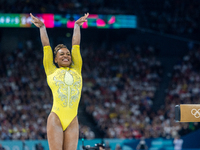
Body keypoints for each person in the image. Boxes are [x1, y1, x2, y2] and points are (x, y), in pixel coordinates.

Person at [30, 12, 89, 150]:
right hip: (56, 118)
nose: (66, 56)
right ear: (55, 59)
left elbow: (76, 45)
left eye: (68, 54)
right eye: (61, 54)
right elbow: (46, 46)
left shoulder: (77, 69)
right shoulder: (51, 70)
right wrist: (42, 28)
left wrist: (77, 26)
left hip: (73, 120)